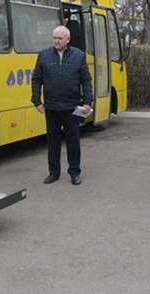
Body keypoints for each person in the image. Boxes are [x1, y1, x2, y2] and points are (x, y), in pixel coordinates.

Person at [31, 25, 92, 185]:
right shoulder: (43, 55)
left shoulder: (78, 56)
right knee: (52, 142)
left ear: (67, 40)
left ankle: (74, 172)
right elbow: (36, 79)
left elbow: (86, 80)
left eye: (59, 38)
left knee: (73, 141)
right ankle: (53, 172)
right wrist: (36, 101)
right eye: (54, 38)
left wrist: (87, 102)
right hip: (51, 107)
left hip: (72, 107)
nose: (56, 41)